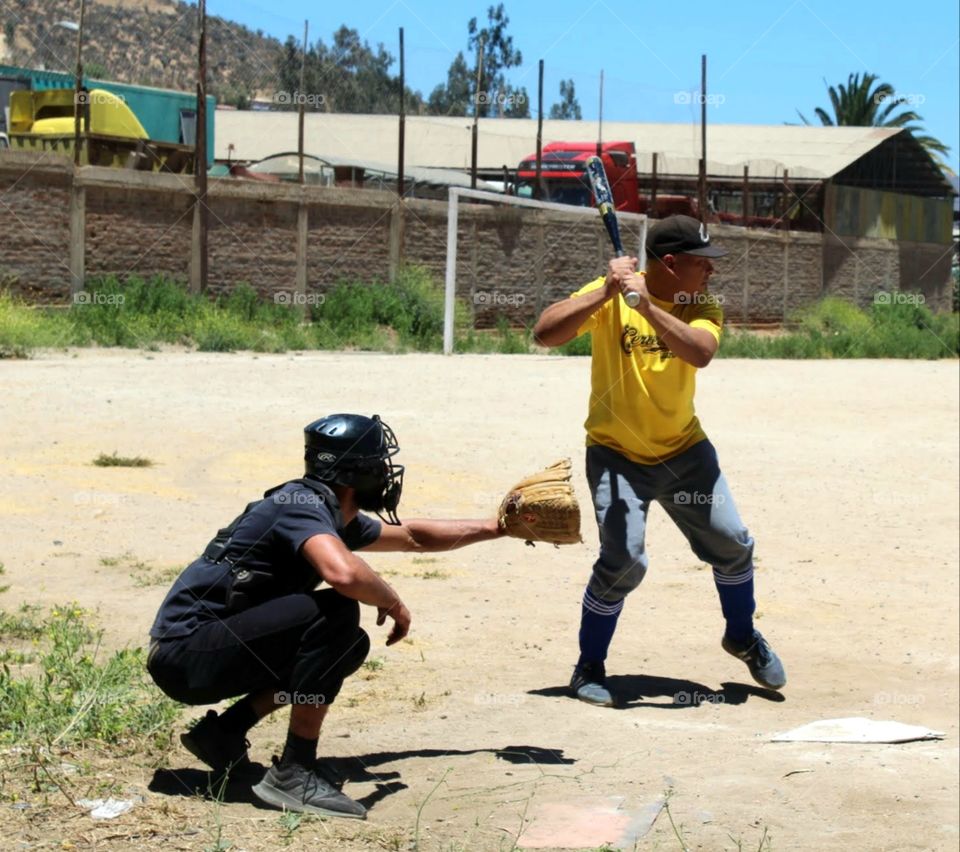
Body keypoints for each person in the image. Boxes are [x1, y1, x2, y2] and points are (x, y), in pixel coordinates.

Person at [147, 413, 504, 818]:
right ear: (355, 472)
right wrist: (392, 602)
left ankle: (223, 733)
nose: (387, 474)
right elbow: (344, 574)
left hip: (204, 652)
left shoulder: (326, 512)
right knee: (335, 612)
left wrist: (499, 526)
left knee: (347, 645)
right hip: (185, 655)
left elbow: (413, 537)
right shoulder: (299, 505)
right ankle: (294, 773)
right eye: (379, 465)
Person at [532, 214, 786, 707]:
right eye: (702, 263)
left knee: (733, 543)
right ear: (670, 263)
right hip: (616, 455)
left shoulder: (700, 304)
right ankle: (588, 667)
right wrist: (604, 293)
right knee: (624, 560)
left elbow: (700, 353)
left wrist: (646, 307)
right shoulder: (612, 296)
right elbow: (545, 333)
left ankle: (742, 636)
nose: (711, 272)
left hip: (685, 451)